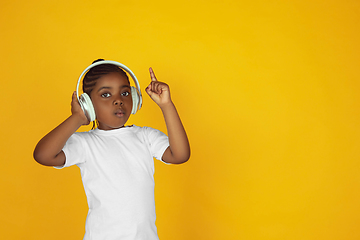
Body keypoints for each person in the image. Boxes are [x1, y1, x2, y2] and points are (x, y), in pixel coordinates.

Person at [33, 59, 190, 240]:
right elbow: (43, 155)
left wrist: (166, 105)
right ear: (89, 105)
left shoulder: (145, 136)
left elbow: (180, 155)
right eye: (106, 95)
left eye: (124, 93)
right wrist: (77, 118)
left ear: (135, 97)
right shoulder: (85, 144)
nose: (118, 100)